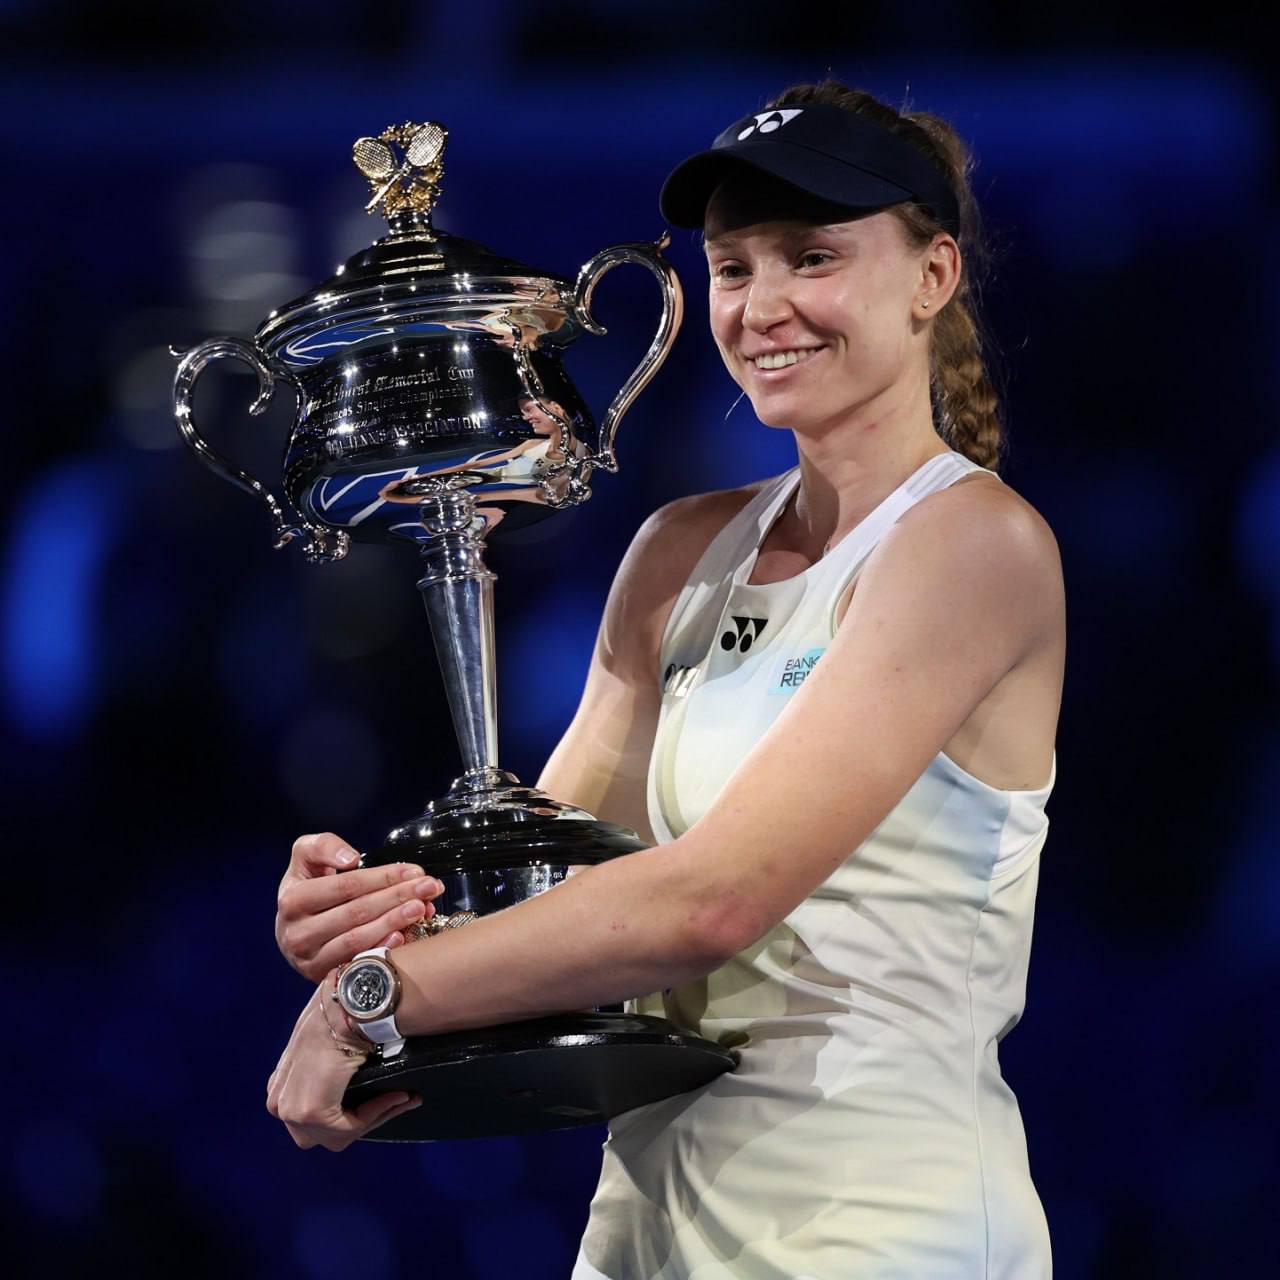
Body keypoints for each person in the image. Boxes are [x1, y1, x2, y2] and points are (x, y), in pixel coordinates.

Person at [267, 78, 1064, 1279]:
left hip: (882, 1233)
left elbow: (711, 901)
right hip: (646, 1232)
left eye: (811, 257)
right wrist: (377, 917)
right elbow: (550, 889)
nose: (762, 305)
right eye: (733, 267)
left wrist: (373, 997)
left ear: (930, 276)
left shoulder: (972, 545)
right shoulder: (679, 550)